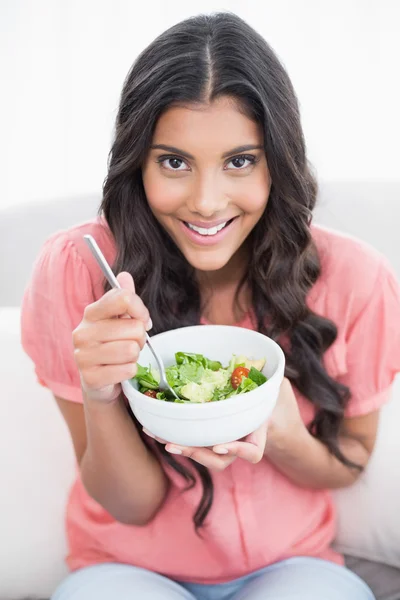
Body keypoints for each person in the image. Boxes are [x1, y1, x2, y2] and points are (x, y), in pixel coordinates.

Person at [20, 11, 400, 600]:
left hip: (291, 566)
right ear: (137, 162)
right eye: (174, 162)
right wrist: (102, 394)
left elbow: (349, 460)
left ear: (279, 160)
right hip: (128, 568)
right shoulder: (77, 268)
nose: (205, 201)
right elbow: (131, 506)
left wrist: (281, 433)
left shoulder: (356, 279)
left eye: (240, 161)